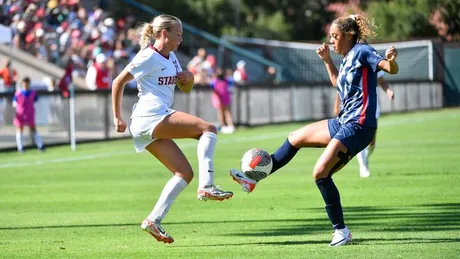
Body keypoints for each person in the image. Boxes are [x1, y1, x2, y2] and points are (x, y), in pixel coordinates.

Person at [230, 14, 399, 247]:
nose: (331, 41)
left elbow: (388, 67)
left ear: (349, 35)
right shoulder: (348, 56)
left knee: (320, 173)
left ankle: (341, 231)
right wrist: (328, 61)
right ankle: (254, 179)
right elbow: (338, 84)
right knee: (294, 138)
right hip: (343, 121)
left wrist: (391, 60)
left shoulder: (361, 51)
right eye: (330, 37)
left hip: (359, 126)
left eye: (335, 36)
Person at [111, 14, 233, 244]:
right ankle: (207, 185)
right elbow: (118, 82)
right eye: (178, 34)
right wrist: (117, 116)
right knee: (208, 129)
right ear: (164, 33)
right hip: (150, 116)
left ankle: (153, 220)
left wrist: (189, 78)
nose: (181, 39)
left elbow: (185, 88)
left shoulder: (172, 57)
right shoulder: (148, 56)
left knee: (184, 173)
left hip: (149, 122)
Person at [333, 71, 394, 178]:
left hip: (372, 107)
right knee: (360, 139)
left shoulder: (372, 62)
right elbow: (341, 86)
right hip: (355, 110)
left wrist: (388, 91)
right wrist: (336, 106)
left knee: (371, 143)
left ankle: (364, 160)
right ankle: (363, 167)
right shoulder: (350, 63)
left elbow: (381, 81)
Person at [13, 77, 45, 152]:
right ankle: (20, 147)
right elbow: (14, 103)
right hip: (20, 114)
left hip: (30, 113)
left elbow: (36, 101)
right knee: (20, 129)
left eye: (27, 83)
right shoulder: (18, 93)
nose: (26, 84)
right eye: (24, 83)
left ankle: (41, 145)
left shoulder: (33, 92)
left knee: (33, 129)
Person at [210, 68, 235, 134]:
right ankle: (223, 126)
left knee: (227, 112)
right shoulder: (214, 81)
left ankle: (230, 126)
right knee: (221, 112)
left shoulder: (226, 80)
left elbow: (232, 82)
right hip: (218, 99)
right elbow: (211, 85)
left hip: (225, 98)